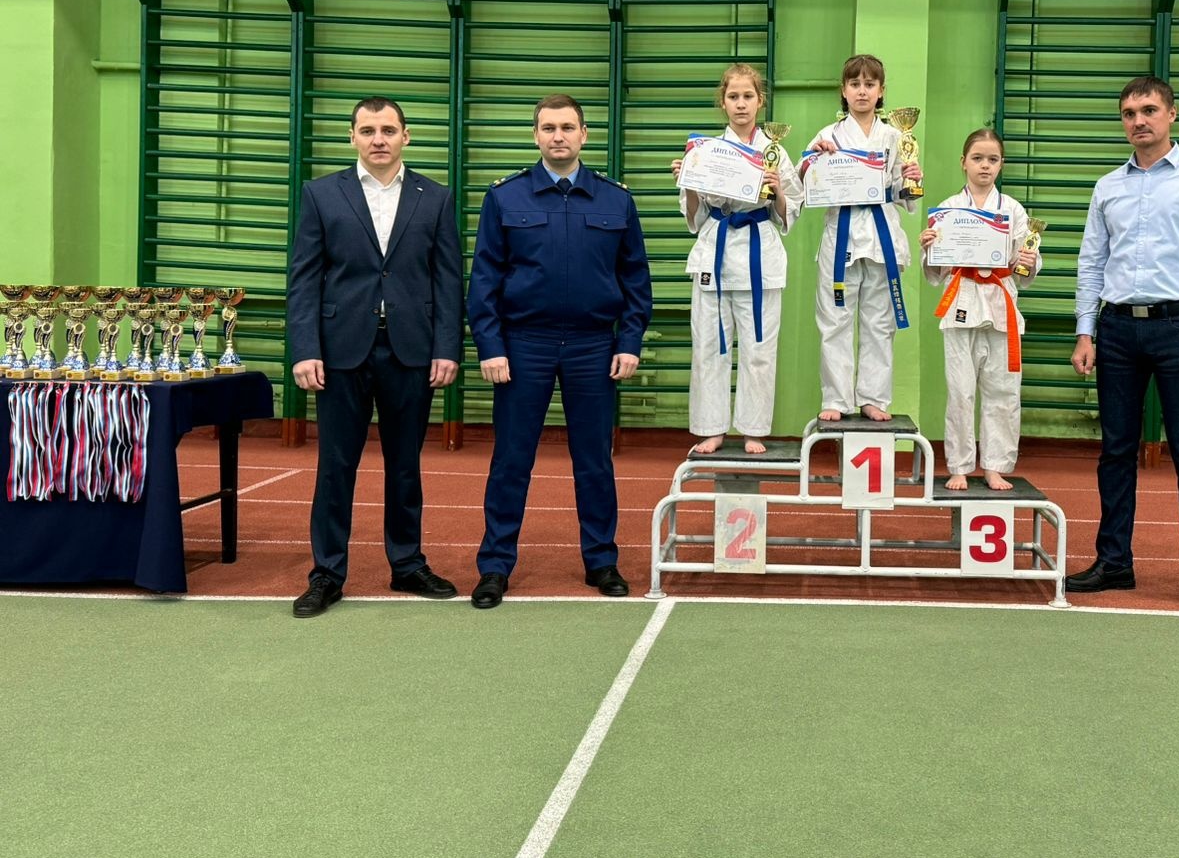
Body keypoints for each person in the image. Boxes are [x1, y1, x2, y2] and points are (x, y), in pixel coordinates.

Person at [466, 93, 652, 609]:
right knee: (511, 461)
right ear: (535, 135)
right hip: (523, 346)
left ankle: (601, 560)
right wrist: (491, 344)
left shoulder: (616, 200)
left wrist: (630, 340)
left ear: (584, 134)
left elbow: (636, 278)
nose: (558, 136)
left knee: (593, 461)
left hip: (595, 346)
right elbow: (484, 278)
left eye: (567, 127)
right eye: (548, 128)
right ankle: (495, 566)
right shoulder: (505, 198)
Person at [286, 96, 463, 618]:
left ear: (406, 136)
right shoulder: (321, 194)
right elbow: (304, 278)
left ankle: (407, 564)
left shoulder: (436, 197)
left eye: (388, 130)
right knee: (335, 466)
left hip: (411, 349)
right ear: (353, 138)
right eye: (368, 130)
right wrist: (304, 349)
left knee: (404, 465)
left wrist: (447, 347)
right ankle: (326, 573)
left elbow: (449, 279)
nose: (378, 139)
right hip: (340, 351)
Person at [1068, 75, 1179, 617]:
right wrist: (1085, 331)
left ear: (1171, 114)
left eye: (1148, 110)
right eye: (1127, 113)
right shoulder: (1107, 187)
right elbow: (1092, 262)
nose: (1137, 121)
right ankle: (1114, 561)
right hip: (1116, 329)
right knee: (1115, 451)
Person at [671, 64, 802, 455]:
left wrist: (777, 190)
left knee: (760, 348)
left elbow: (790, 211)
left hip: (760, 255)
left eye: (748, 96)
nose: (741, 104)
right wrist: (690, 183)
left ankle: (753, 428)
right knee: (710, 345)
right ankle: (711, 428)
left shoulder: (775, 152)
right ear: (723, 102)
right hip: (715, 250)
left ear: (760, 101)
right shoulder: (707, 152)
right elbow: (694, 218)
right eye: (733, 96)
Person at [801, 54, 922, 422]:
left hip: (882, 236)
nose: (862, 91)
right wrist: (812, 161)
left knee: (879, 323)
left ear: (881, 91)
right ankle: (836, 398)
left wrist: (912, 178)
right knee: (835, 320)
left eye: (870, 84)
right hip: (842, 236)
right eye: (855, 84)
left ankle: (873, 397)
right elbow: (801, 186)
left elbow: (906, 196)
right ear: (844, 90)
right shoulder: (827, 136)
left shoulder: (897, 137)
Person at [919, 129, 1039, 492]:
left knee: (1003, 390)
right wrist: (929, 248)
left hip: (1001, 303)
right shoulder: (948, 210)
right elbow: (935, 274)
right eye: (977, 158)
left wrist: (1029, 261)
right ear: (963, 163)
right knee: (960, 390)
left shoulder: (1014, 210)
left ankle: (996, 466)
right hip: (963, 301)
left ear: (1001, 164)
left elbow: (1026, 271)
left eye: (992, 159)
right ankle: (958, 464)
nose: (985, 166)